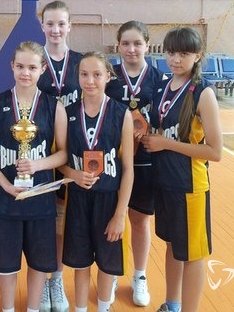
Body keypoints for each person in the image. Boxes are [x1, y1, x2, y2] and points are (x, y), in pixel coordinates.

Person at [0, 41, 68, 312]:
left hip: (41, 198)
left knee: (39, 263)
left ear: (43, 69)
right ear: (12, 67)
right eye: (20, 66)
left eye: (31, 67)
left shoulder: (54, 106)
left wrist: (37, 165)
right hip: (7, 199)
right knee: (6, 265)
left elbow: (64, 153)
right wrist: (4, 185)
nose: (25, 73)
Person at [142, 27, 223, 312]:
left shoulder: (203, 93)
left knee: (193, 255)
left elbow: (215, 152)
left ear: (197, 55)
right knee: (172, 246)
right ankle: (173, 304)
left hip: (189, 187)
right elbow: (161, 128)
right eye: (171, 52)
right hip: (164, 182)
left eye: (184, 53)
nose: (176, 59)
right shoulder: (163, 87)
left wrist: (166, 143)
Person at [60, 51, 134, 312]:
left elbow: (128, 169)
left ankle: (103, 308)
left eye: (96, 74)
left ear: (108, 77)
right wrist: (73, 174)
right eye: (84, 74)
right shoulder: (67, 113)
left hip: (109, 200)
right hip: (78, 199)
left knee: (106, 264)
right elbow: (60, 160)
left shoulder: (121, 114)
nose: (90, 80)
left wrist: (120, 214)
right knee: (80, 264)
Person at [104, 21, 168, 307]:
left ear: (147, 45)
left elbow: (166, 119)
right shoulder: (109, 77)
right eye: (126, 43)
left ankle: (140, 276)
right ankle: (111, 272)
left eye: (137, 43)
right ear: (118, 45)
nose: (131, 49)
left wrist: (153, 132)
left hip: (145, 161)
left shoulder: (159, 79)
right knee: (111, 218)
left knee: (140, 221)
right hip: (112, 160)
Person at [35, 0, 82, 312]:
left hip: (74, 152)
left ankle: (57, 279)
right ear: (42, 26)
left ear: (69, 26)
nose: (55, 29)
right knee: (43, 221)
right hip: (39, 153)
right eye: (50, 23)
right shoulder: (33, 60)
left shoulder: (80, 62)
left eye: (61, 24)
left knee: (63, 223)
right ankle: (42, 279)